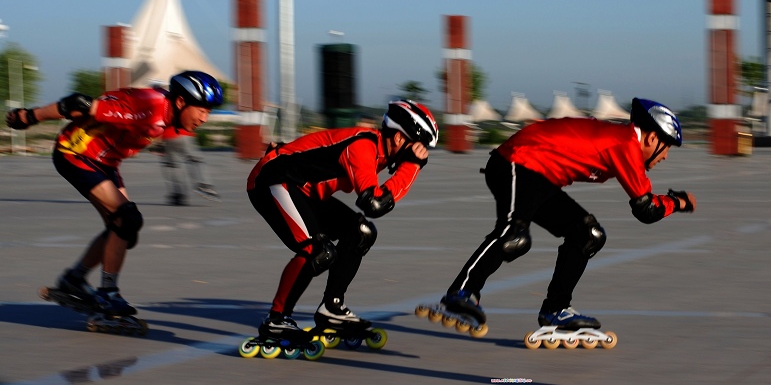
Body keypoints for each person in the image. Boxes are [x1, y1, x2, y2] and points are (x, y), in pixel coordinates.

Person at [438, 98, 696, 331]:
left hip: (539, 176)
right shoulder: (626, 143)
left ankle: (555, 310)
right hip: (515, 162)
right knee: (514, 237)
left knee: (587, 235)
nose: (665, 156)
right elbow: (647, 210)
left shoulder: (621, 139)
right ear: (652, 138)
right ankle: (461, 293)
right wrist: (679, 202)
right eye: (667, 148)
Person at [5, 70, 224, 315]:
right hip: (76, 154)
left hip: (105, 161)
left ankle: (74, 280)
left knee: (125, 228)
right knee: (126, 218)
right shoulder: (149, 107)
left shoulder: (168, 114)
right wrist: (30, 116)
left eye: (209, 112)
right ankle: (107, 293)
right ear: (181, 102)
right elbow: (78, 104)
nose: (205, 118)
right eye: (202, 110)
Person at [246, 99, 437, 339]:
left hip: (303, 189)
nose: (421, 153)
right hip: (272, 180)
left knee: (361, 232)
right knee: (319, 251)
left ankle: (332, 308)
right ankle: (276, 319)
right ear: (399, 139)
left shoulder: (381, 153)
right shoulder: (363, 147)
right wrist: (412, 167)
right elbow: (374, 204)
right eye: (419, 145)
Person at [160, 124, 219, 206]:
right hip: (185, 135)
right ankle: (204, 184)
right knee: (195, 160)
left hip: (169, 137)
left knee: (173, 165)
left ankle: (178, 194)